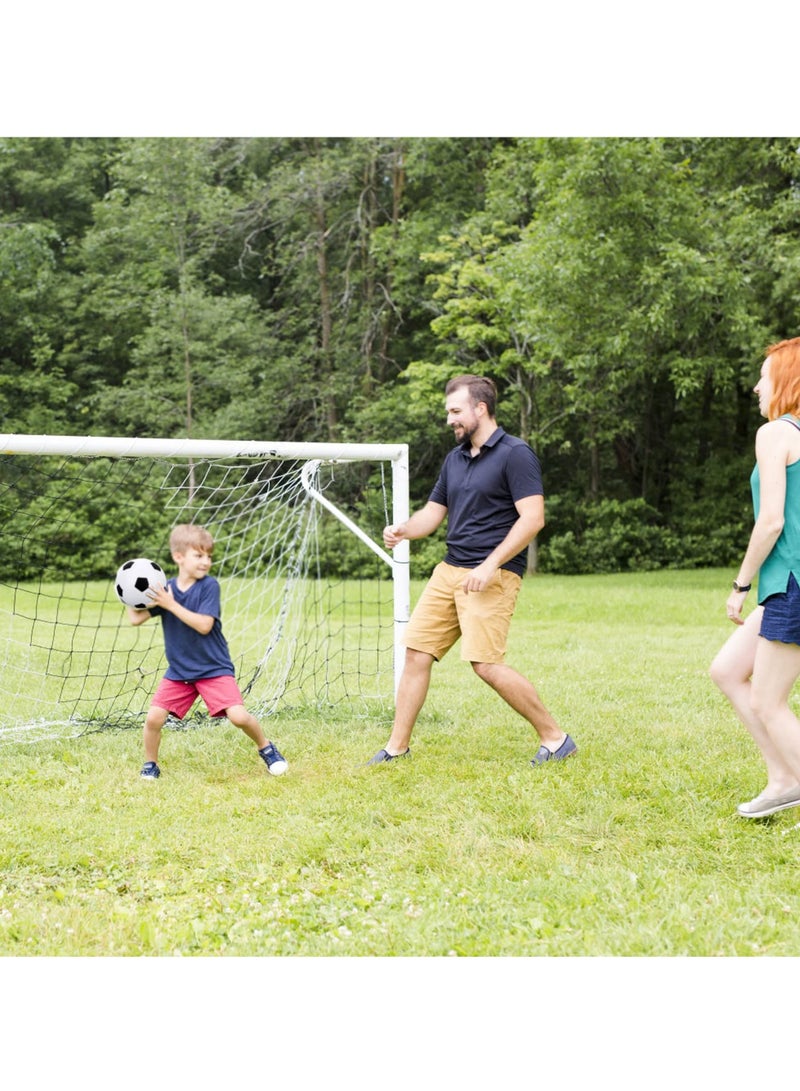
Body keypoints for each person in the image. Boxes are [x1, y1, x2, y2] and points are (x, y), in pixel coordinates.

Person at [368, 374, 576, 766]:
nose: (450, 419)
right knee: (416, 654)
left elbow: (533, 519)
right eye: (448, 412)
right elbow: (433, 513)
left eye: (456, 411)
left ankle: (556, 738)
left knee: (486, 664)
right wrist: (404, 530)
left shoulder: (516, 454)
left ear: (481, 409)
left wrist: (489, 564)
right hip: (449, 571)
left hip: (492, 575)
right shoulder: (456, 458)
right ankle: (396, 748)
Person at [710, 337, 800, 818]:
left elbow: (771, 522)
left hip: (790, 583)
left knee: (769, 700)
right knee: (726, 671)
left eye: (764, 376)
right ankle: (784, 778)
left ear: (786, 380)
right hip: (787, 583)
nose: (756, 386)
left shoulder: (776, 433)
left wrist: (742, 584)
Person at [126, 523, 288, 780]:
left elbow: (204, 625)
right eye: (199, 555)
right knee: (154, 718)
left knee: (238, 716)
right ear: (179, 557)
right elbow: (136, 619)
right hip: (180, 671)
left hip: (213, 668)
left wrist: (170, 604)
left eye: (209, 556)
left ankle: (266, 748)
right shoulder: (165, 588)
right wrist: (129, 593)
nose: (206, 561)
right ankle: (150, 765)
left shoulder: (208, 586)